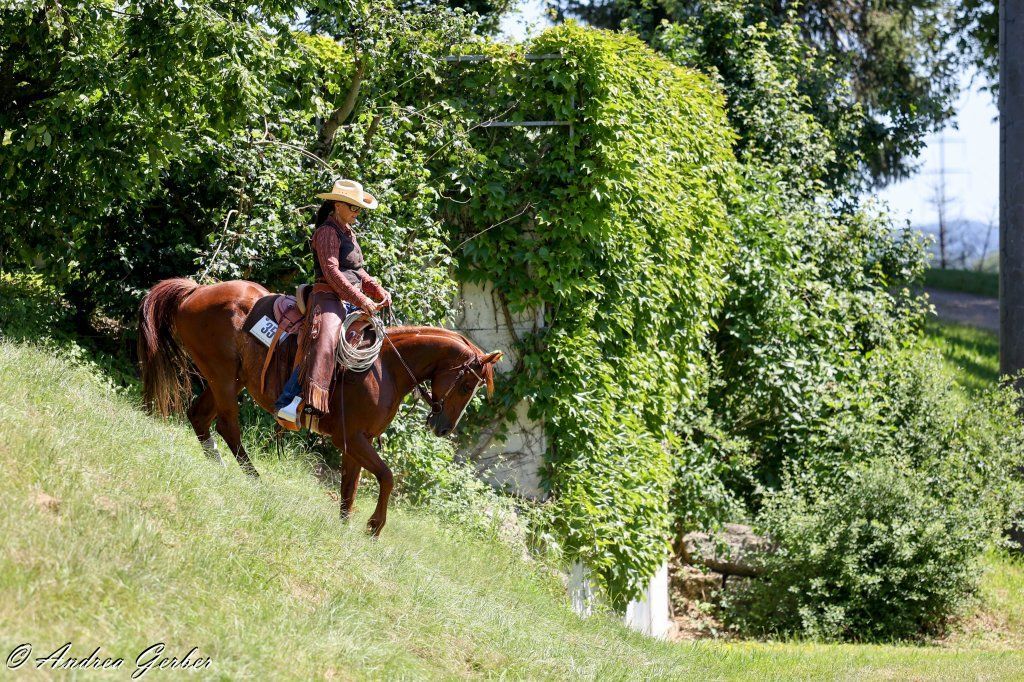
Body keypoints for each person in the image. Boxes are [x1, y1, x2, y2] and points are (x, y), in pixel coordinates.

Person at [275, 179, 391, 423]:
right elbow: (332, 272)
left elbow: (359, 272)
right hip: (327, 296)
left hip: (348, 298)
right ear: (338, 205)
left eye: (360, 208)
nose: (358, 213)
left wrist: (379, 292)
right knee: (325, 339)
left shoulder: (349, 232)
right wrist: (361, 299)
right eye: (354, 208)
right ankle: (291, 400)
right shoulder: (327, 231)